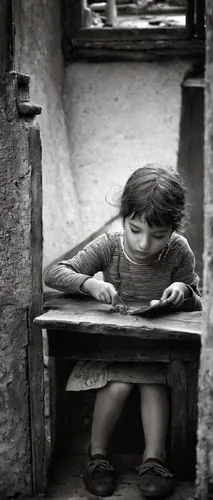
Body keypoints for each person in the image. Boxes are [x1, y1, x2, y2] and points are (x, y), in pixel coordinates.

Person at [45, 164, 202, 498]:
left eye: (158, 235)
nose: (145, 243)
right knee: (119, 383)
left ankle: (154, 459)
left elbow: (197, 300)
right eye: (135, 230)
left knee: (152, 384)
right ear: (123, 219)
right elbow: (54, 273)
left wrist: (183, 291)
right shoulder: (109, 247)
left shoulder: (180, 251)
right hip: (113, 346)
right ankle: (97, 455)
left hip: (159, 351)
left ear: (173, 229)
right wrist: (88, 284)